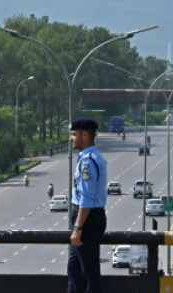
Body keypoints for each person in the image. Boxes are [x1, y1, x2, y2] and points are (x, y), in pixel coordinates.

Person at [67, 118, 107, 293]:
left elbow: (86, 198)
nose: (72, 138)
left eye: (74, 134)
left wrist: (78, 227)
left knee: (89, 273)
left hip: (87, 219)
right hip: (87, 218)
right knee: (74, 269)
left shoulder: (87, 162)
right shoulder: (88, 157)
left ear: (85, 135)